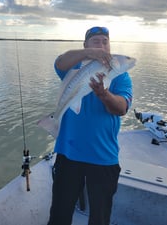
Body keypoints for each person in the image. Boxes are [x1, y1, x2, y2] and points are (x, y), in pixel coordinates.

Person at [47, 26, 133, 225]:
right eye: (96, 41)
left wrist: (103, 94)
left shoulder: (121, 75)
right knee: (59, 212)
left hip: (103, 155)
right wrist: (89, 54)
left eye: (105, 41)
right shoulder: (73, 68)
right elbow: (59, 62)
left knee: (100, 217)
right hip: (68, 152)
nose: (102, 45)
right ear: (85, 45)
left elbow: (121, 108)